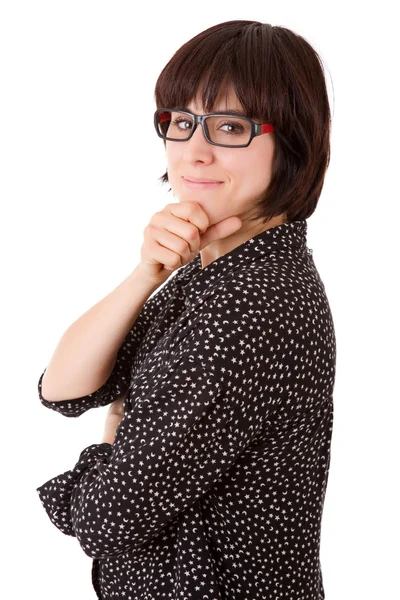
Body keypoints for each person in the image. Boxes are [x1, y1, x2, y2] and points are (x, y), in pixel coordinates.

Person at [36, 19, 336, 600]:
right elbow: (62, 389)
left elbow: (108, 521)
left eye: (230, 126)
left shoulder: (247, 305)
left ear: (293, 142)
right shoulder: (212, 266)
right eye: (180, 121)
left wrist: (110, 443)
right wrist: (145, 275)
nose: (194, 151)